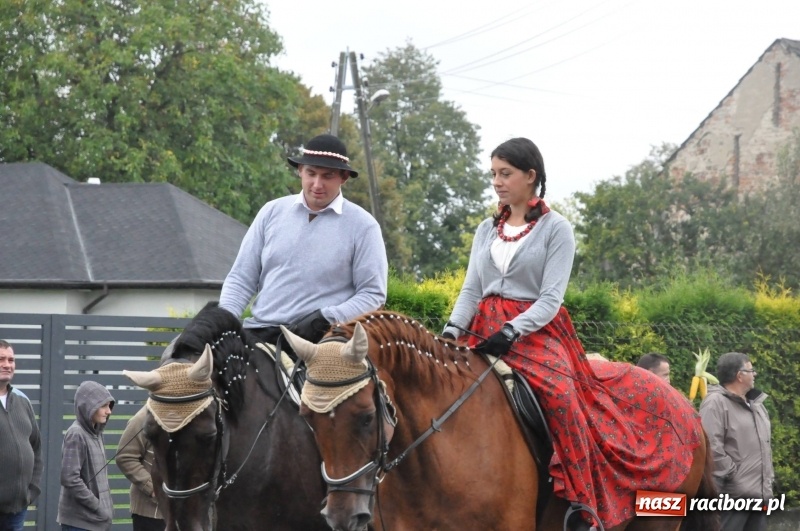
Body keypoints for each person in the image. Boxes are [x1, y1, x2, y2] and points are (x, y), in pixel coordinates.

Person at [442, 137, 701, 530]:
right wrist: (449, 332)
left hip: (535, 334)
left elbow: (550, 299)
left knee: (562, 398)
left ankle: (581, 505)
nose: (497, 182)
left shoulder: (556, 228)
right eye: (493, 173)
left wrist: (513, 330)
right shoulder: (485, 229)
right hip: (481, 330)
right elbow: (470, 291)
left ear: (531, 176)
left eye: (505, 174)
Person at [220, 133, 389, 346]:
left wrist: (326, 318)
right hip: (259, 335)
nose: (317, 184)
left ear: (344, 177)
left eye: (327, 176)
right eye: (311, 173)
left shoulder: (364, 226)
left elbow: (373, 295)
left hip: (324, 341)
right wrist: (223, 322)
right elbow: (241, 278)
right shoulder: (271, 212)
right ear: (300, 171)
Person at [699, 352, 773, 531]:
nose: (754, 374)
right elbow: (711, 447)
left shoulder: (757, 405)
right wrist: (734, 476)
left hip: (759, 497)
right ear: (739, 376)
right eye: (751, 370)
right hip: (732, 498)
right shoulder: (715, 403)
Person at [57, 381, 115, 531]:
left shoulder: (97, 433)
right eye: (103, 406)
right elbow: (70, 479)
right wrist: (97, 506)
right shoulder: (76, 434)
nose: (109, 411)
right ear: (88, 407)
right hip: (79, 523)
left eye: (109, 406)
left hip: (98, 521)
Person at [0, 340, 43, 531]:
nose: (7, 364)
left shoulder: (23, 401)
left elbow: (36, 448)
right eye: (1, 359)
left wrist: (32, 490)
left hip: (17, 509)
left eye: (11, 359)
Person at [115, 407, 165, 531]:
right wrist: (153, 489)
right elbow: (125, 457)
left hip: (185, 513)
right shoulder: (142, 418)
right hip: (151, 513)